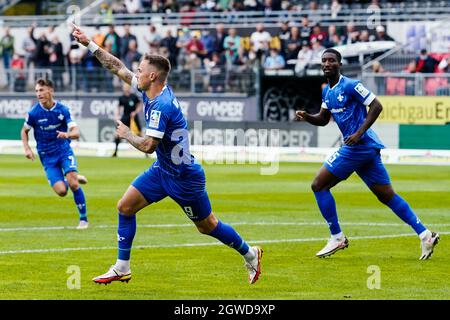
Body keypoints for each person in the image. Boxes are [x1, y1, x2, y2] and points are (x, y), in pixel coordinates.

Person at [71, 24, 263, 284]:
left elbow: (148, 146)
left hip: (183, 176)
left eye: (140, 70)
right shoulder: (151, 89)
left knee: (207, 226)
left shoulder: (161, 106)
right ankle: (121, 267)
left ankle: (250, 254)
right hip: (164, 170)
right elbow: (117, 67)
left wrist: (127, 134)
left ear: (152, 77)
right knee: (125, 207)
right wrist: (90, 44)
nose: (135, 73)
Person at [295, 48, 439, 260]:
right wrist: (308, 116)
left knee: (318, 185)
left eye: (331, 61)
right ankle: (425, 235)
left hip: (358, 146)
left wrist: (358, 132)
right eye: (324, 61)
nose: (327, 64)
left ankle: (337, 237)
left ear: (339, 64)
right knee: (386, 195)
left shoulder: (351, 85)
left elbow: (376, 105)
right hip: (366, 149)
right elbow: (324, 119)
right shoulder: (327, 91)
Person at [20, 78, 89, 229]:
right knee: (62, 191)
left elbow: (76, 132)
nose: (39, 94)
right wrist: (27, 149)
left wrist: (67, 135)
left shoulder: (62, 110)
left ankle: (83, 220)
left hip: (63, 150)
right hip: (47, 156)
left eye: (42, 90)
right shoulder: (33, 113)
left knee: (73, 184)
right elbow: (24, 131)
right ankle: (72, 178)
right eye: (37, 91)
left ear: (50, 91)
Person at [112, 83, 143, 157]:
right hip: (125, 117)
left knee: (140, 133)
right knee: (118, 133)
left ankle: (146, 153)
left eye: (127, 87)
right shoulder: (121, 98)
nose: (126, 88)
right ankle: (115, 152)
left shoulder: (134, 97)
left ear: (129, 88)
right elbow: (119, 107)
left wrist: (135, 112)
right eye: (125, 87)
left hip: (133, 117)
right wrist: (117, 115)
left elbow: (140, 105)